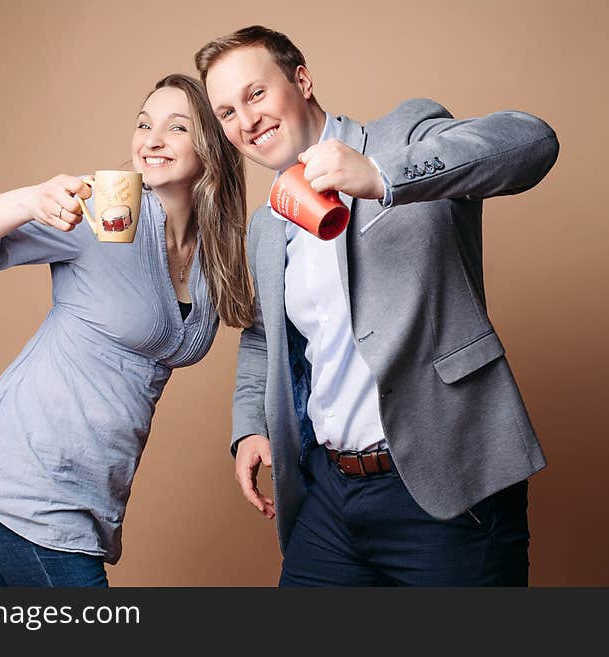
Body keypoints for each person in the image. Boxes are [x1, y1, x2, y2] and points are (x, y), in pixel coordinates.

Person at [195, 26, 560, 586]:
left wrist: (382, 177)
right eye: (226, 113)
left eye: (255, 94)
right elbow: (264, 335)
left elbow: (531, 142)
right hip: (331, 494)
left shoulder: (404, 135)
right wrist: (249, 425)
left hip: (447, 485)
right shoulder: (268, 224)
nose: (245, 122)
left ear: (302, 79)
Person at [0, 74, 253, 587]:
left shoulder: (218, 254)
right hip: (29, 475)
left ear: (211, 147)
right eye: (144, 124)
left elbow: (264, 329)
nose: (152, 139)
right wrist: (32, 200)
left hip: (95, 491)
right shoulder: (104, 210)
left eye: (176, 127)